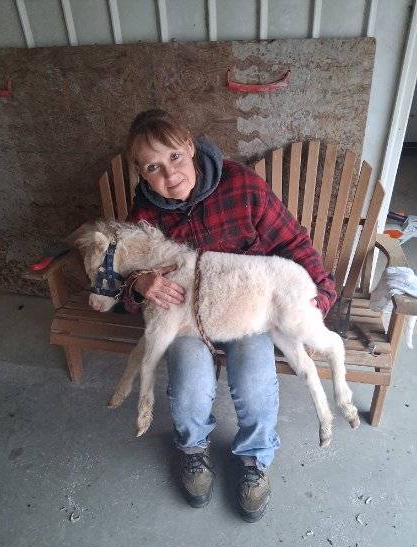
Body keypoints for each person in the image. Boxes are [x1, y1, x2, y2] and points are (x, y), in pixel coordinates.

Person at [124, 109, 337, 522]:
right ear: (142, 173)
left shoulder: (241, 185)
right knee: (189, 381)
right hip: (186, 316)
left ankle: (255, 457)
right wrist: (139, 284)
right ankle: (192, 449)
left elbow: (294, 244)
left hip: (245, 311)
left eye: (174, 157)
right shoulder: (144, 216)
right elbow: (125, 275)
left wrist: (320, 299)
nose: (169, 175)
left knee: (255, 377)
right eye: (153, 167)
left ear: (190, 147)